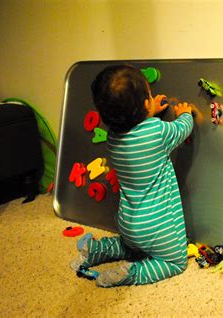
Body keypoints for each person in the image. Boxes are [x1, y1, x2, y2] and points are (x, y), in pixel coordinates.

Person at [70, 64, 194, 287]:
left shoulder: (113, 138)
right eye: (149, 94)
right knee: (176, 261)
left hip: (128, 222)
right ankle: (134, 273)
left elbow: (131, 125)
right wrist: (185, 114)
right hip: (157, 227)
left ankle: (97, 251)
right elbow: (182, 128)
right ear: (146, 103)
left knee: (130, 247)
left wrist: (145, 112)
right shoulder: (157, 132)